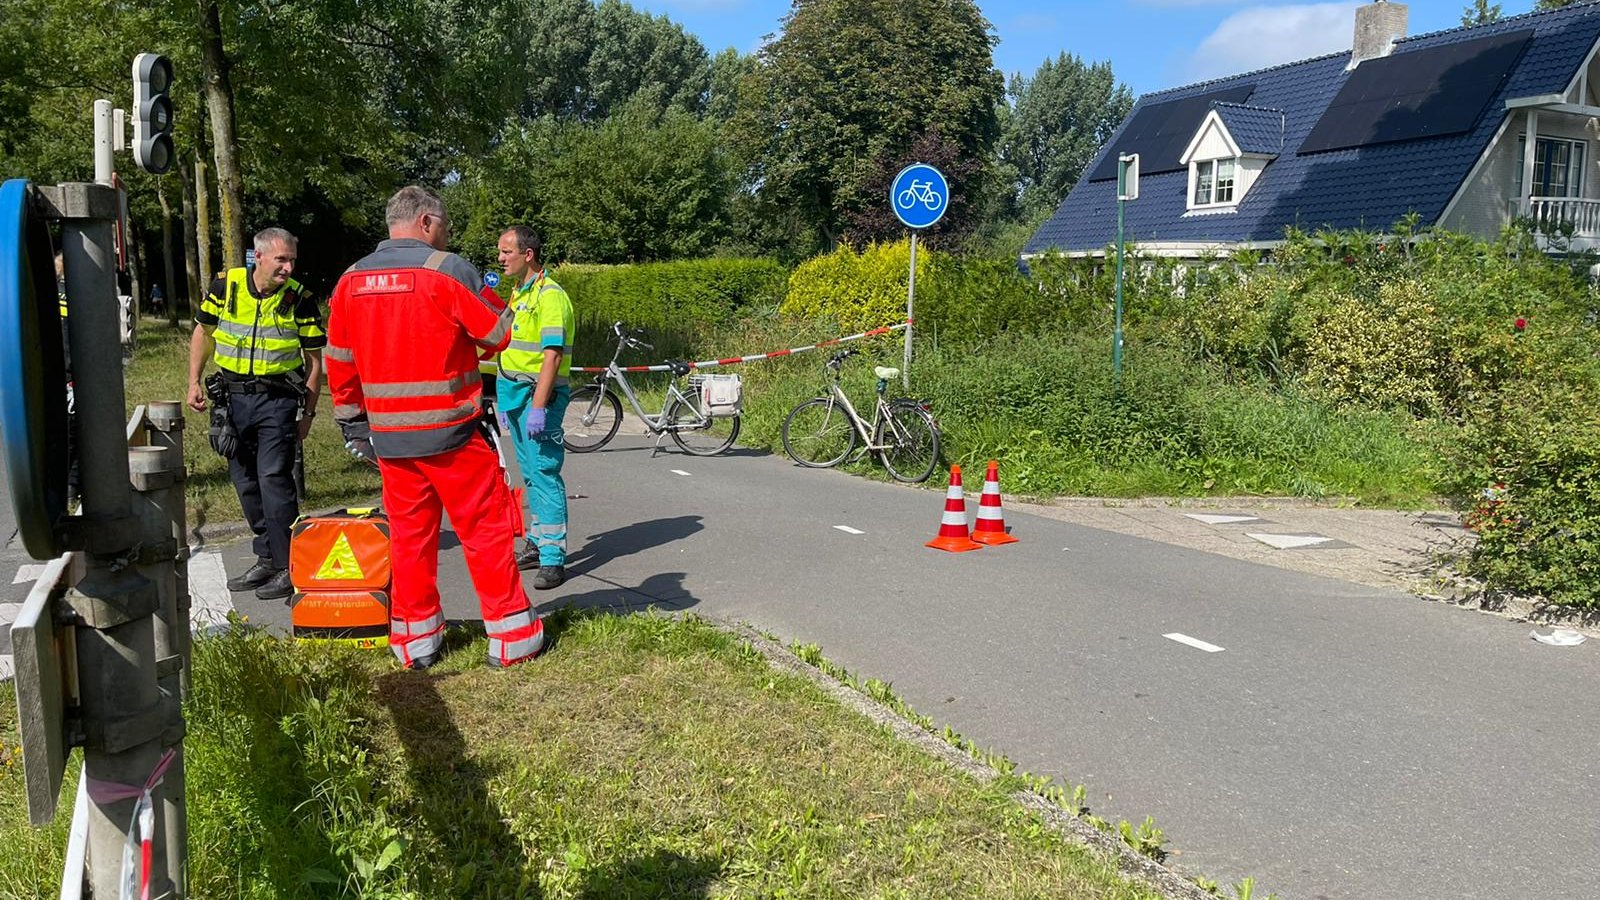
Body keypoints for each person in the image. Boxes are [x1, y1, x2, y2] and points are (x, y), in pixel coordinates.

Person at [325, 186, 544, 670]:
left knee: (409, 540)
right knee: (484, 533)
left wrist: (352, 423)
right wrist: (489, 292)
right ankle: (511, 636)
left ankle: (415, 640)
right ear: (425, 222)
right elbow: (498, 333)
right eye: (443, 225)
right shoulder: (447, 270)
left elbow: (339, 361)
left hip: (390, 440)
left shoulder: (349, 281)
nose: (445, 235)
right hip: (453, 434)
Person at [186, 228, 324, 601]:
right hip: (231, 401)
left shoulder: (299, 298)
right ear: (258, 257)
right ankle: (266, 556)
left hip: (276, 401)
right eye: (281, 259)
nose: (288, 267)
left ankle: (288, 565)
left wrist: (309, 413)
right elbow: (203, 331)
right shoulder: (226, 286)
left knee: (274, 480)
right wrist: (193, 381)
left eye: (292, 260)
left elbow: (314, 361)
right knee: (245, 481)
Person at [494, 225, 574, 589]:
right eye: (499, 252)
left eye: (506, 252)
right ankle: (538, 542)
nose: (500, 258)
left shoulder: (550, 296)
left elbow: (552, 356)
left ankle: (553, 558)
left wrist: (539, 407)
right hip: (514, 396)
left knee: (544, 472)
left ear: (528, 255)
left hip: (538, 398)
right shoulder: (518, 293)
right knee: (529, 474)